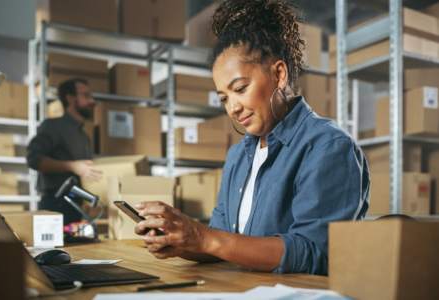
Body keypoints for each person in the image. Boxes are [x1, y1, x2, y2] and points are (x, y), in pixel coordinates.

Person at [134, 0, 369, 275]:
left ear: (279, 74)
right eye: (224, 98)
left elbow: (315, 253)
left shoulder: (328, 146)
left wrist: (203, 237)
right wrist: (181, 242)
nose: (232, 108)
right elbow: (224, 239)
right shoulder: (238, 156)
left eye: (240, 88)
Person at [27, 78, 102, 225]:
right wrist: (73, 166)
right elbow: (34, 159)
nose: (91, 101)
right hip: (55, 204)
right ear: (70, 98)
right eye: (86, 96)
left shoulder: (83, 135)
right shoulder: (53, 126)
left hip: (76, 204)